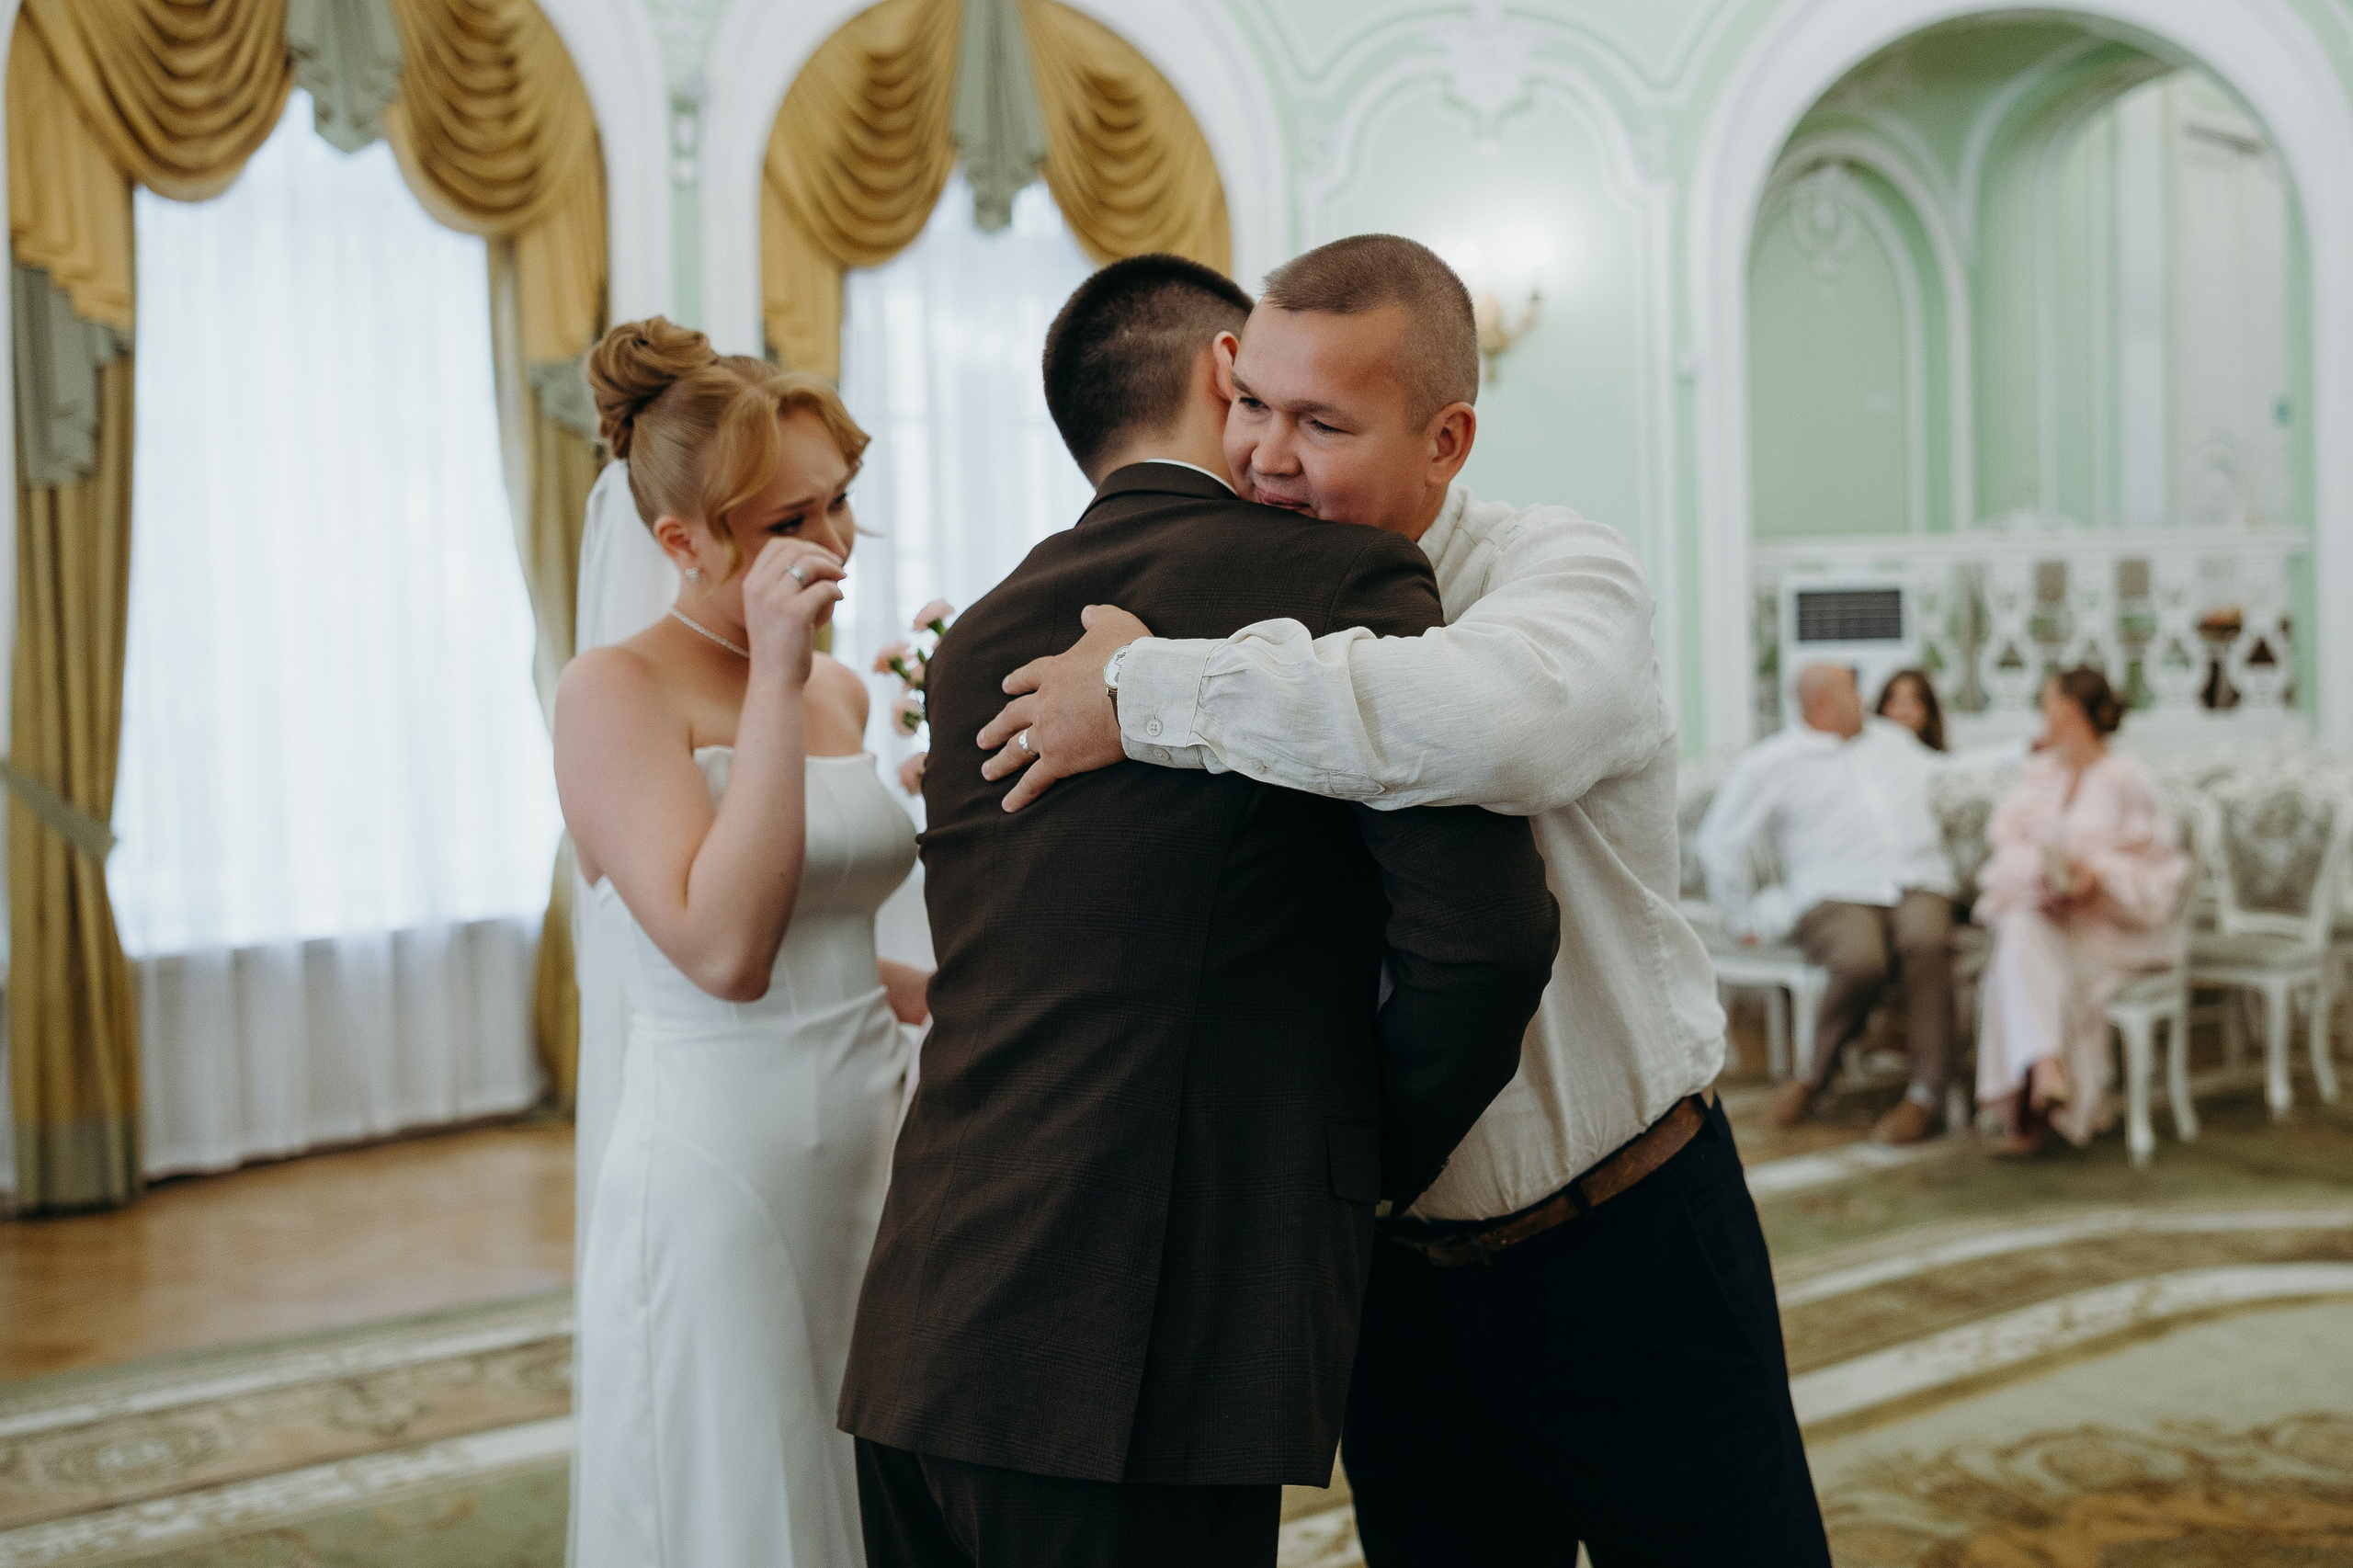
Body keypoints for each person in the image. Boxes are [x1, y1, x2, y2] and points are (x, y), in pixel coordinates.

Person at [972, 236, 1830, 1565]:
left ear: (1447, 438)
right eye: (1251, 403)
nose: (1264, 454)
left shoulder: (1563, 574)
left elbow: (1496, 727)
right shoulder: (1245, 600)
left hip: (1626, 1238)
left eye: (1321, 423)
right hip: (1384, 1280)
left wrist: (1152, 695)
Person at [837, 254, 1560, 1568]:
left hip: (925, 1315)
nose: (1283, 446)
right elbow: (1487, 944)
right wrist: (1359, 1159)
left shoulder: (987, 624)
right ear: (1230, 371)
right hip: (1138, 1336)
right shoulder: (1343, 577)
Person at [554, 318, 932, 1568]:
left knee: (882, 1483)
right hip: (729, 1162)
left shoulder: (843, 694)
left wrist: (943, 989)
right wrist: (770, 682)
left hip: (876, 1136)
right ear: (681, 541)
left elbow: (822, 929)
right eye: (789, 522)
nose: (832, 546)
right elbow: (722, 951)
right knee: (759, 1492)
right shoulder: (615, 693)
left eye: (841, 504)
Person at [1697, 663, 1965, 1143]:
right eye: (1850, 692)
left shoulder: (1891, 742)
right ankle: (1815, 1075)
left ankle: (1925, 1097)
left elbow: (1952, 774)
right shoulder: (1771, 764)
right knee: (1860, 961)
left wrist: (2028, 755)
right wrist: (1739, 918)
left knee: (1927, 943)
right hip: (1835, 892)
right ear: (1821, 703)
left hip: (1916, 879)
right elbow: (1719, 843)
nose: (1862, 700)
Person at [1974, 667, 2188, 1153]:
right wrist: (2046, 877)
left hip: (2113, 932)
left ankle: (2033, 1099)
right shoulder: (2040, 777)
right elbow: (2005, 848)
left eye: (2047, 704)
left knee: (2021, 950)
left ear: (2070, 711)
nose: (2042, 715)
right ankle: (2048, 1069)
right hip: (2050, 921)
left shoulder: (2126, 780)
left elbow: (2158, 865)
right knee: (2022, 927)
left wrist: (2098, 876)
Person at [1878, 666, 1947, 752]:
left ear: (1929, 709)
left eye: (1913, 699)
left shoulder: (1943, 761)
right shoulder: (1868, 759)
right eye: (1894, 700)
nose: (1902, 708)